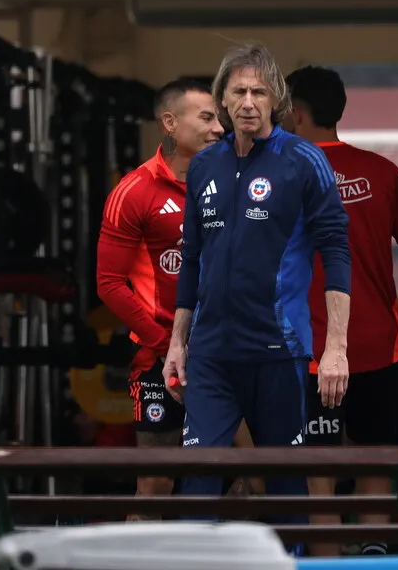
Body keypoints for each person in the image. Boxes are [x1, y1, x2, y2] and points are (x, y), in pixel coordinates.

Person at [283, 65, 398, 556]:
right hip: (377, 349)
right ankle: (372, 556)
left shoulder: (281, 176)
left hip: (308, 353)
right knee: (373, 468)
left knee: (319, 476)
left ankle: (325, 565)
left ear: (297, 113)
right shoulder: (382, 172)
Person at [162, 46, 351, 528]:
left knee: (285, 486)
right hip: (210, 355)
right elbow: (192, 259)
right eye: (239, 91)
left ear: (276, 99)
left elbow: (336, 252)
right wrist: (177, 343)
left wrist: (335, 348)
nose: (248, 101)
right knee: (198, 485)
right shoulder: (205, 166)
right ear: (222, 99)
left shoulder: (303, 160)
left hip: (278, 353)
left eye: (259, 91)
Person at [96, 78, 262, 519]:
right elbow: (109, 283)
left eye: (219, 120)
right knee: (155, 483)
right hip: (157, 356)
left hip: (228, 350)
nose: (218, 129)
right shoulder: (134, 191)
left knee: (260, 476)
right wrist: (163, 343)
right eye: (207, 118)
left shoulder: (239, 180)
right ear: (170, 123)